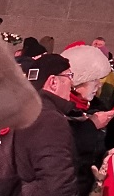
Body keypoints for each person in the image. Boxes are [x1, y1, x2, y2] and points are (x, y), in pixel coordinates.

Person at [13, 54, 78, 196]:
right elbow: (57, 185)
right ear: (53, 82)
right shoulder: (49, 119)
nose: (72, 84)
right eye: (69, 76)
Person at [61, 44, 114, 196]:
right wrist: (92, 125)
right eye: (94, 81)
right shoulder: (63, 111)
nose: (98, 85)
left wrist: (105, 157)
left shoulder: (95, 107)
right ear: (77, 84)